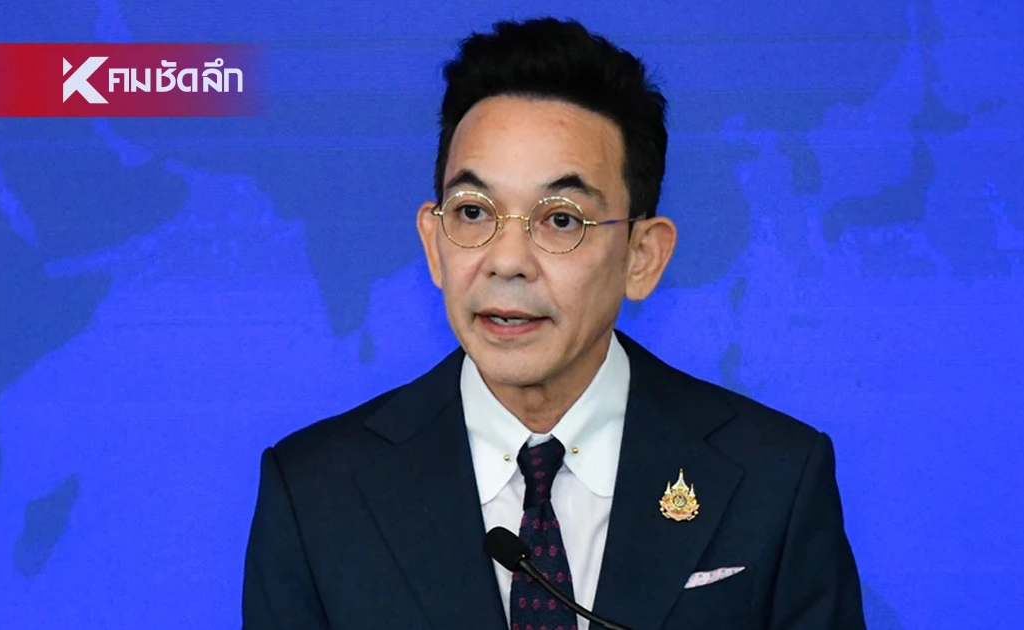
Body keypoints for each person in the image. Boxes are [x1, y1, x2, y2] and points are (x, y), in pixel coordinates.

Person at [242, 16, 866, 630]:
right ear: (433, 244)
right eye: (473, 212)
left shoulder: (774, 479)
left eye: (561, 219)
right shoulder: (316, 494)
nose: (507, 262)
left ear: (642, 257)